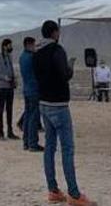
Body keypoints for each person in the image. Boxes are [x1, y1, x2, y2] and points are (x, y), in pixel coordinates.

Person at [33, 20, 97, 206]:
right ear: (54, 32)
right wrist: (70, 67)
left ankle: (53, 190)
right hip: (59, 105)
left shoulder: (36, 52)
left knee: (49, 148)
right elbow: (64, 75)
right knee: (67, 149)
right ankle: (74, 194)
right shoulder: (57, 50)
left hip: (44, 103)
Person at [0, 38, 20, 140]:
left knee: (9, 109)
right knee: (1, 109)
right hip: (2, 87)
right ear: (4, 46)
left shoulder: (9, 57)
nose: (11, 47)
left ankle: (10, 132)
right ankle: (1, 133)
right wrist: (3, 77)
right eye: (9, 45)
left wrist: (13, 79)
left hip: (10, 87)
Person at [18, 36, 44, 151]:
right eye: (33, 45)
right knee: (34, 116)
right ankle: (33, 143)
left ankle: (26, 142)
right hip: (34, 90)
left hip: (27, 89)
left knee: (28, 115)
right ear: (29, 45)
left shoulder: (22, 57)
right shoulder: (32, 58)